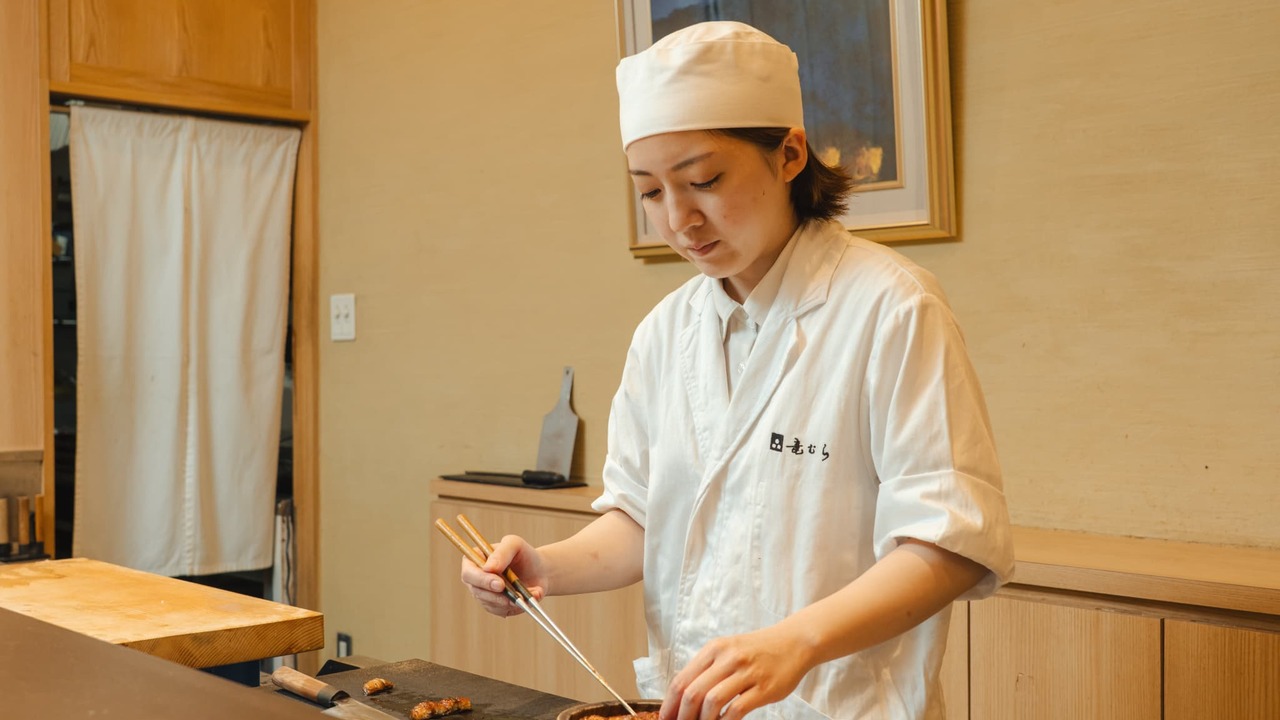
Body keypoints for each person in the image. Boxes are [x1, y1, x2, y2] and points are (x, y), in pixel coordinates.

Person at [460, 21, 1014, 720]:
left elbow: (951, 544)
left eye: (704, 180)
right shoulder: (665, 333)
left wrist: (797, 642)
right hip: (687, 705)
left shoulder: (891, 309)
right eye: (651, 192)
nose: (680, 219)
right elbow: (642, 515)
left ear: (789, 154)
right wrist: (546, 567)